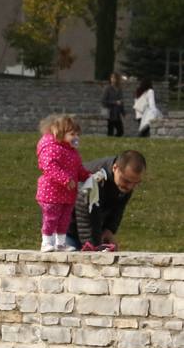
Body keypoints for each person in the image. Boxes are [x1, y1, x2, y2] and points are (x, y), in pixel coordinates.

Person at [67, 150, 146, 251]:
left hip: (91, 228)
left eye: (136, 183)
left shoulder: (124, 182)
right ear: (115, 168)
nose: (130, 186)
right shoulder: (94, 178)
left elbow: (118, 207)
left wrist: (109, 229)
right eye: (126, 181)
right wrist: (94, 246)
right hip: (65, 228)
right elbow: (84, 213)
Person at [35, 114, 91, 253]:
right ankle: (46, 242)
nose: (76, 137)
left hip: (67, 194)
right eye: (72, 134)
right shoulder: (51, 148)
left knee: (64, 220)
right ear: (58, 132)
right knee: (51, 218)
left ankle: (60, 244)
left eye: (77, 134)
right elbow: (49, 166)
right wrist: (65, 179)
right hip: (51, 192)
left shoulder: (72, 152)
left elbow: (78, 169)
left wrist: (87, 176)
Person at [101, 73, 125, 138]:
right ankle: (110, 142)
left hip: (117, 113)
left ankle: (114, 140)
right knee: (110, 130)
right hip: (110, 112)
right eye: (112, 78)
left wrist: (123, 112)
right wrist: (115, 102)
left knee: (120, 131)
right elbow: (103, 101)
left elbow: (121, 101)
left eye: (114, 78)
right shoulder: (107, 88)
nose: (113, 79)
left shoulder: (119, 89)